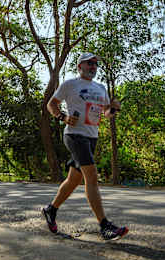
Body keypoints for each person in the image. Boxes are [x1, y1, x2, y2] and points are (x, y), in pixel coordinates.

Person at [42, 52, 128, 241]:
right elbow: (51, 104)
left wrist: (114, 108)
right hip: (74, 136)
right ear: (80, 66)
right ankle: (104, 226)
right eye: (89, 64)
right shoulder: (70, 84)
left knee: (73, 180)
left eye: (95, 64)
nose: (93, 67)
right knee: (92, 176)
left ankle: (51, 209)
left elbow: (106, 113)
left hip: (91, 137)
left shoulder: (100, 88)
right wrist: (63, 117)